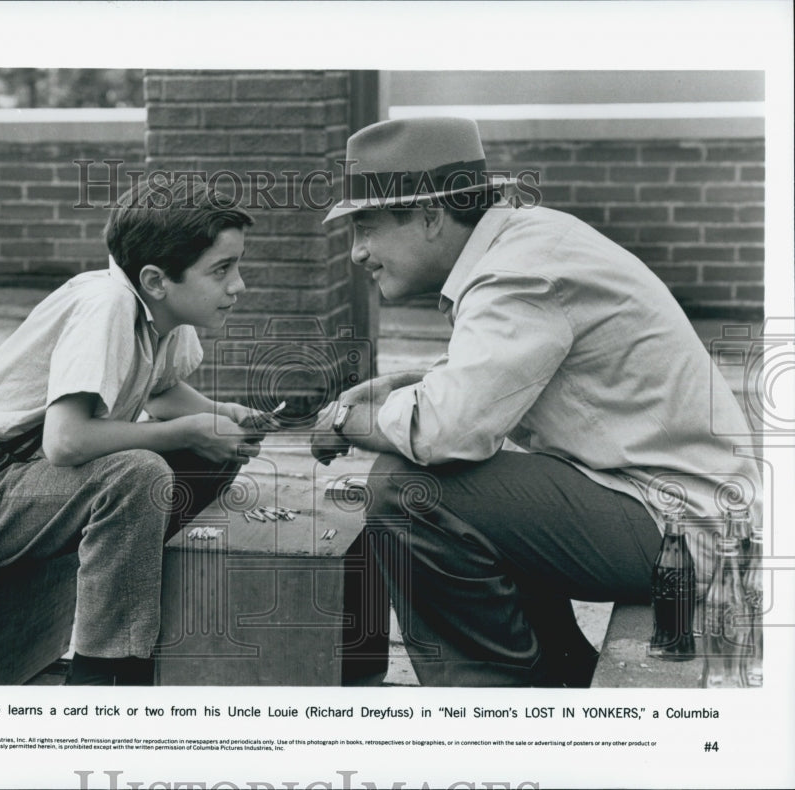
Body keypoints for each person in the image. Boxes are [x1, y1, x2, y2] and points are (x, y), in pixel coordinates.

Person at [312, 117, 762, 686]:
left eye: (366, 227)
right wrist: (407, 385)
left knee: (407, 492)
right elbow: (494, 384)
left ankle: (495, 711)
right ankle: (556, 671)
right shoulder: (525, 243)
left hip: (685, 526)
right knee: (465, 481)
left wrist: (346, 419)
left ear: (430, 215)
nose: (356, 252)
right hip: (678, 505)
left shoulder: (516, 272)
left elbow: (449, 429)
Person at [0, 176, 275, 685]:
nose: (238, 284)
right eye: (222, 270)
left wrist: (220, 416)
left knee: (213, 450)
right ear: (156, 280)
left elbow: (157, 389)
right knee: (138, 473)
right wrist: (187, 431)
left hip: (29, 483)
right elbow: (65, 442)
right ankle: (104, 678)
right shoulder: (106, 304)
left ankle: (141, 610)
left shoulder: (160, 311)